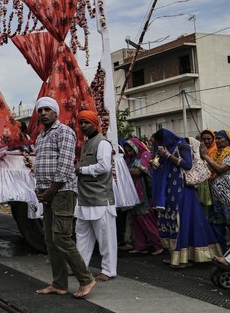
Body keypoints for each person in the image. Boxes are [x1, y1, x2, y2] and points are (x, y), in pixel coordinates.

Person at [33, 97, 96, 298]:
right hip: (48, 192)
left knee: (61, 237)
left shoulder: (64, 132)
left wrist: (51, 189)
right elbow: (41, 164)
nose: (43, 113)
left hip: (62, 191)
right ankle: (59, 283)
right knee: (50, 240)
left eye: (47, 110)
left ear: (55, 112)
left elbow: (65, 164)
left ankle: (86, 279)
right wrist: (40, 189)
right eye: (40, 110)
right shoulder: (41, 136)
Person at [151, 128, 221, 268]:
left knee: (182, 222)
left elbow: (187, 165)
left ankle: (184, 259)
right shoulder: (167, 147)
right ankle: (176, 257)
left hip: (182, 190)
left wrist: (168, 155)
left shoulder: (182, 145)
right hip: (170, 191)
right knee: (173, 223)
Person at [74, 110, 117, 282]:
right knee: (82, 235)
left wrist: (82, 170)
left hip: (100, 198)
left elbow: (104, 167)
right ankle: (80, 267)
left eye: (86, 122)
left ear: (95, 124)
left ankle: (109, 270)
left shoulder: (103, 143)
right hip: (85, 198)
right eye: (81, 123)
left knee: (105, 238)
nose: (83, 126)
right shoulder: (86, 144)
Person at [122, 138, 163, 255]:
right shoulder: (131, 158)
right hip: (133, 191)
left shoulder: (145, 155)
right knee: (136, 220)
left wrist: (123, 170)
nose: (129, 153)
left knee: (146, 219)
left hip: (143, 192)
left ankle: (158, 245)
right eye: (127, 151)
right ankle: (140, 246)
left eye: (131, 150)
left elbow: (139, 171)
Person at [200, 129, 230, 251]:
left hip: (229, 196)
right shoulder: (216, 153)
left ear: (228, 140)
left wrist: (206, 156)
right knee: (216, 224)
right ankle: (222, 252)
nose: (217, 141)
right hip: (215, 196)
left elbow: (221, 169)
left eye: (220, 138)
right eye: (216, 138)